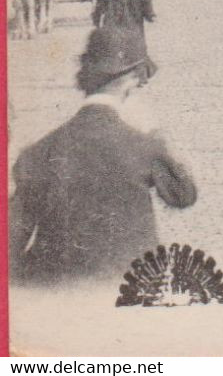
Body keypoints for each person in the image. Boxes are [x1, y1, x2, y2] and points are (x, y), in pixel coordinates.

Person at [9, 26, 197, 286]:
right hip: (129, 292)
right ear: (135, 79)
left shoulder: (36, 154)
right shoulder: (145, 146)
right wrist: (160, 138)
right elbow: (183, 195)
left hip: (54, 296)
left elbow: (10, 246)